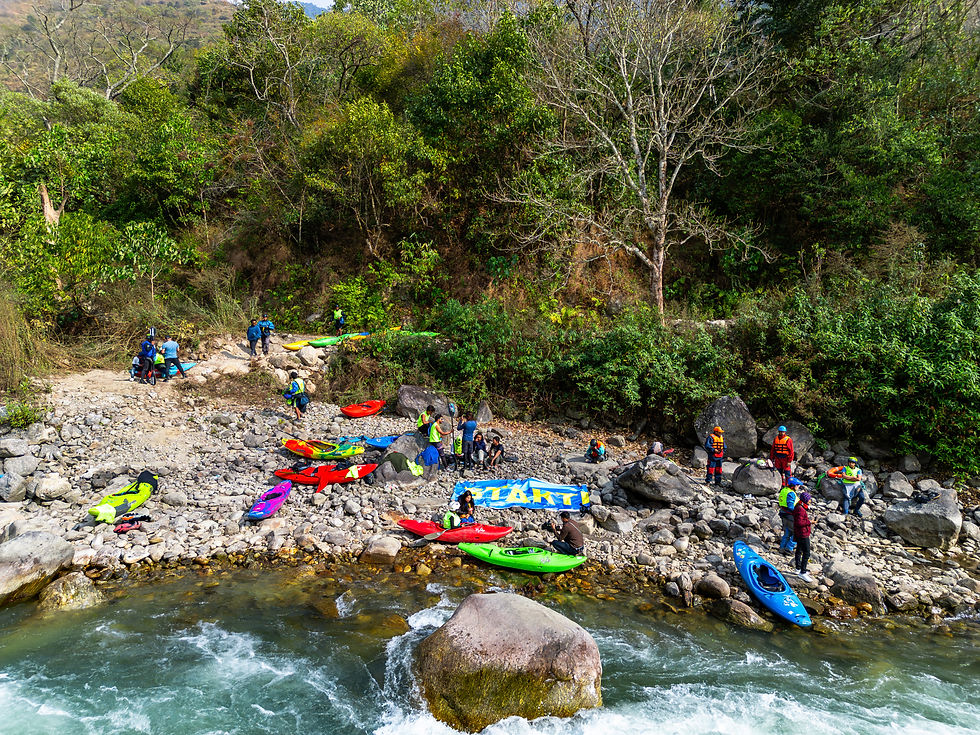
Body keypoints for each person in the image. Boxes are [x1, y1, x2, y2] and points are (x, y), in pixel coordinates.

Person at [793, 491, 814, 583]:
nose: (810, 501)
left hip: (799, 533)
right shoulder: (800, 509)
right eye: (809, 499)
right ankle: (803, 572)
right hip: (802, 533)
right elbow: (799, 523)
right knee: (806, 552)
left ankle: (798, 568)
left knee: (799, 550)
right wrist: (810, 522)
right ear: (805, 499)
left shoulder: (799, 506)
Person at [777, 477, 802, 554]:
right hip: (790, 515)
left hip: (784, 514)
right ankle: (789, 548)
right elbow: (790, 506)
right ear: (793, 486)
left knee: (787, 532)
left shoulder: (784, 490)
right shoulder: (791, 493)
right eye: (798, 485)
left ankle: (782, 548)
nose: (798, 487)